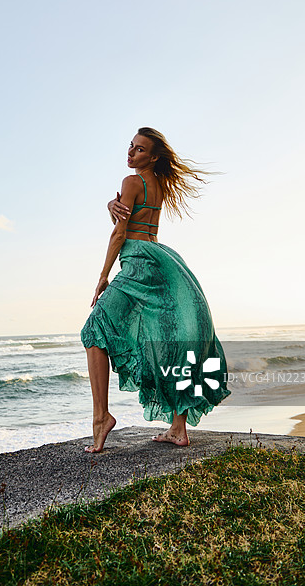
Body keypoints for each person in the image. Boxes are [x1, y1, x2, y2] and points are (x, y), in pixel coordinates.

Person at [80, 127, 231, 453]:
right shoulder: (158, 184)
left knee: (94, 329)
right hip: (164, 260)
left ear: (154, 156)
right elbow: (133, 217)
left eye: (140, 150)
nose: (131, 153)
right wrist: (112, 205)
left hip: (139, 262)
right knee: (170, 340)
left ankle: (100, 417)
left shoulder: (131, 182)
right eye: (131, 147)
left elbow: (120, 234)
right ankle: (178, 429)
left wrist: (103, 276)